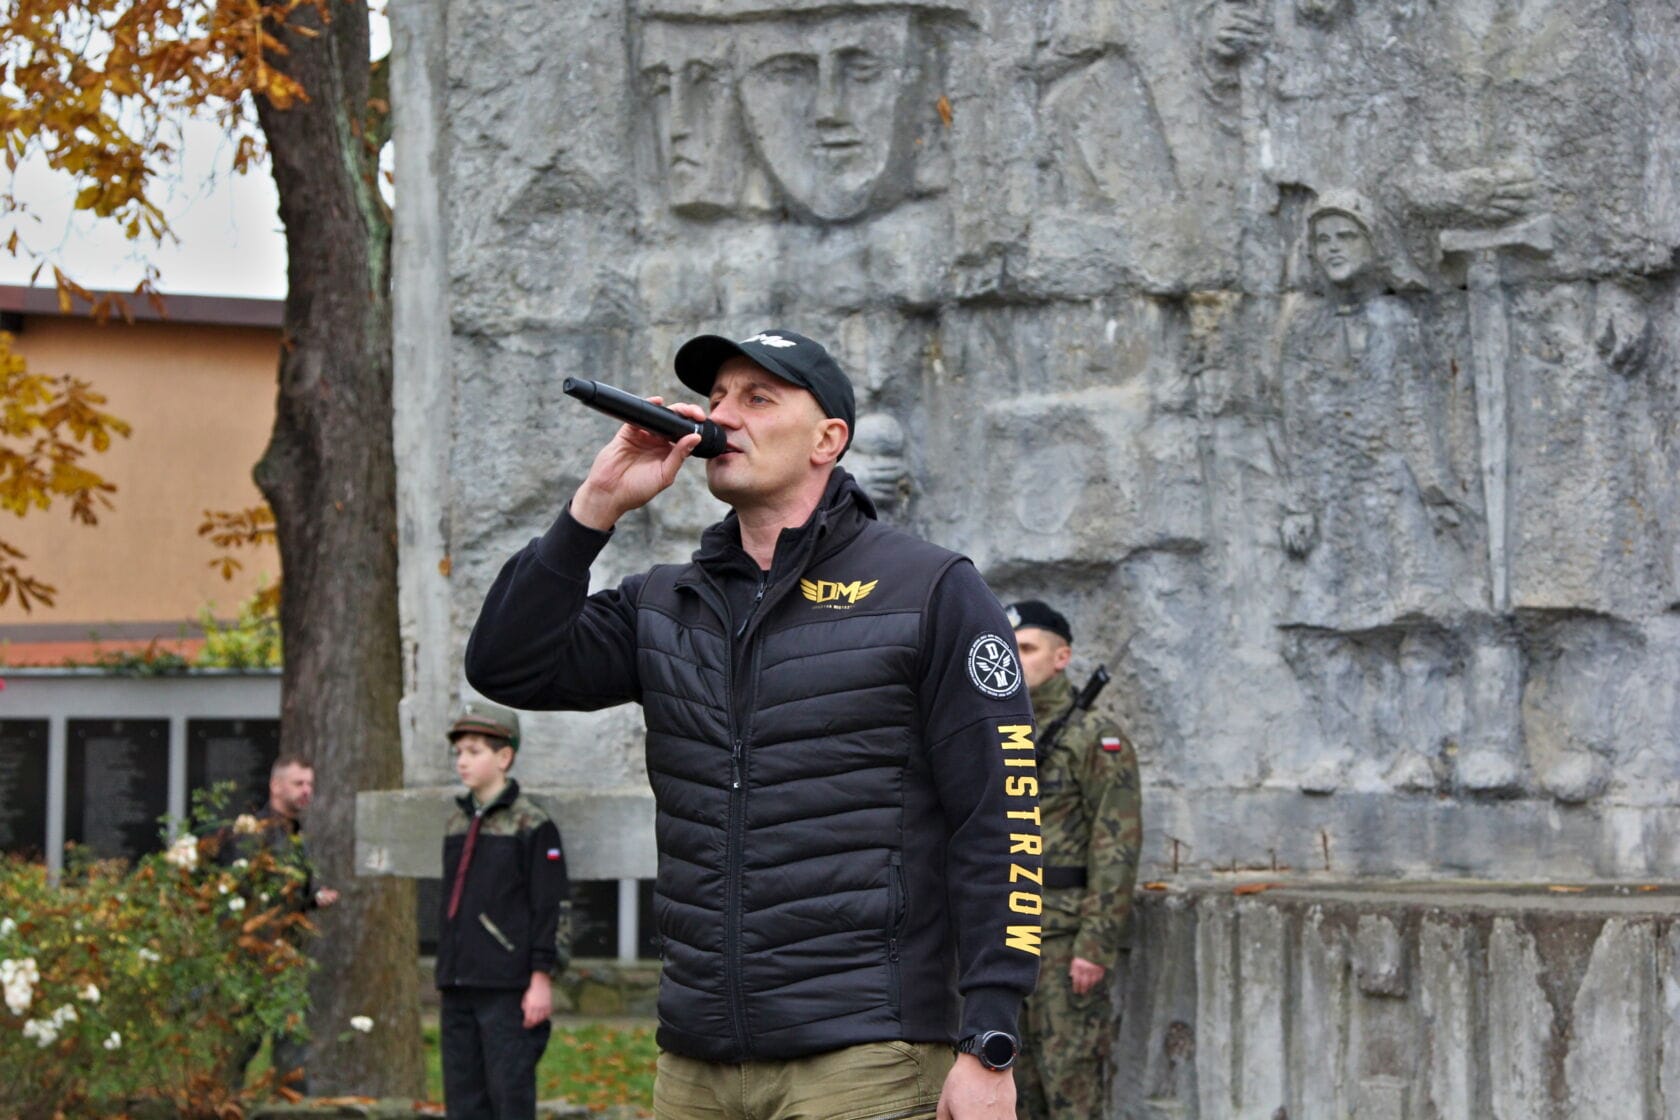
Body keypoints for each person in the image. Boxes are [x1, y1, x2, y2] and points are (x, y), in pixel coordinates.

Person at [464, 328, 1042, 1120]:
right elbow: (505, 666)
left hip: (867, 1056)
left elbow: (1000, 821)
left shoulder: (930, 590)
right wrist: (594, 507)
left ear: (827, 440)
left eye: (758, 398)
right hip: (695, 1063)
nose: (722, 416)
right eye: (715, 398)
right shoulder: (664, 604)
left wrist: (990, 1037)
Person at [1005, 601, 1141, 1120]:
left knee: (1070, 1088)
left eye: (1027, 648)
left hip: (1064, 940)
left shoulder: (1095, 737)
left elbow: (1116, 845)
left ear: (1061, 657)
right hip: (1007, 938)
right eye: (1009, 649)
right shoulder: (999, 731)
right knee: (1013, 1092)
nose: (1015, 659)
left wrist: (1095, 943)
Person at [436, 700, 572, 1120]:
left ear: (504, 757)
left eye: (474, 751)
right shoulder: (456, 824)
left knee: (509, 1097)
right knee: (463, 1102)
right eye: (459, 752)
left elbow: (551, 905)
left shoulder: (532, 825)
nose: (462, 761)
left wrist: (541, 978)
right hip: (457, 983)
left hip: (508, 988)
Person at [217, 756, 339, 1093]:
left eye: (310, 784)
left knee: (291, 1042)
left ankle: (291, 1107)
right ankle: (221, 1102)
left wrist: (312, 898)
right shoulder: (252, 836)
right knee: (241, 1043)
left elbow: (287, 892)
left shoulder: (294, 833)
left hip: (286, 957)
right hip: (254, 958)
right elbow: (244, 894)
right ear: (276, 786)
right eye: (299, 783)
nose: (306, 791)